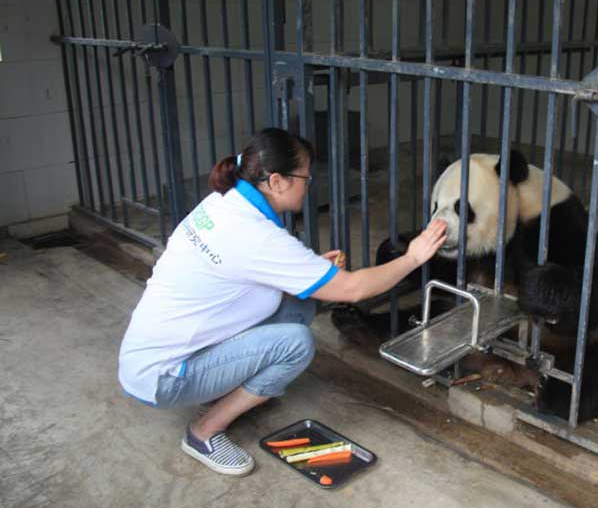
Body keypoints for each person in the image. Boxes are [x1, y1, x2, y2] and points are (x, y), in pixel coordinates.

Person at [118, 127, 447, 476]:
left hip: (148, 354)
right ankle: (204, 432)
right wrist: (413, 258)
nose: (309, 184)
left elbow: (246, 273)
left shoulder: (223, 204)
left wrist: (306, 272)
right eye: (305, 177)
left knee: (300, 304)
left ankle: (225, 387)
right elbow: (352, 290)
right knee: (296, 343)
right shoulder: (257, 238)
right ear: (276, 182)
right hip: (164, 377)